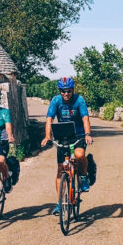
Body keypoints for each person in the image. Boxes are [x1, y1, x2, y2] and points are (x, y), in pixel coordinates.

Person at [41, 76, 92, 213]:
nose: (66, 94)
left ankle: (83, 176)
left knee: (79, 154)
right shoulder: (56, 100)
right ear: (60, 91)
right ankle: (60, 202)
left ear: (72, 90)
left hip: (78, 135)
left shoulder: (79, 100)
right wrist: (47, 136)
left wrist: (87, 134)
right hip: (62, 136)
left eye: (68, 91)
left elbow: (85, 118)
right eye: (63, 91)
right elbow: (49, 119)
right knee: (60, 170)